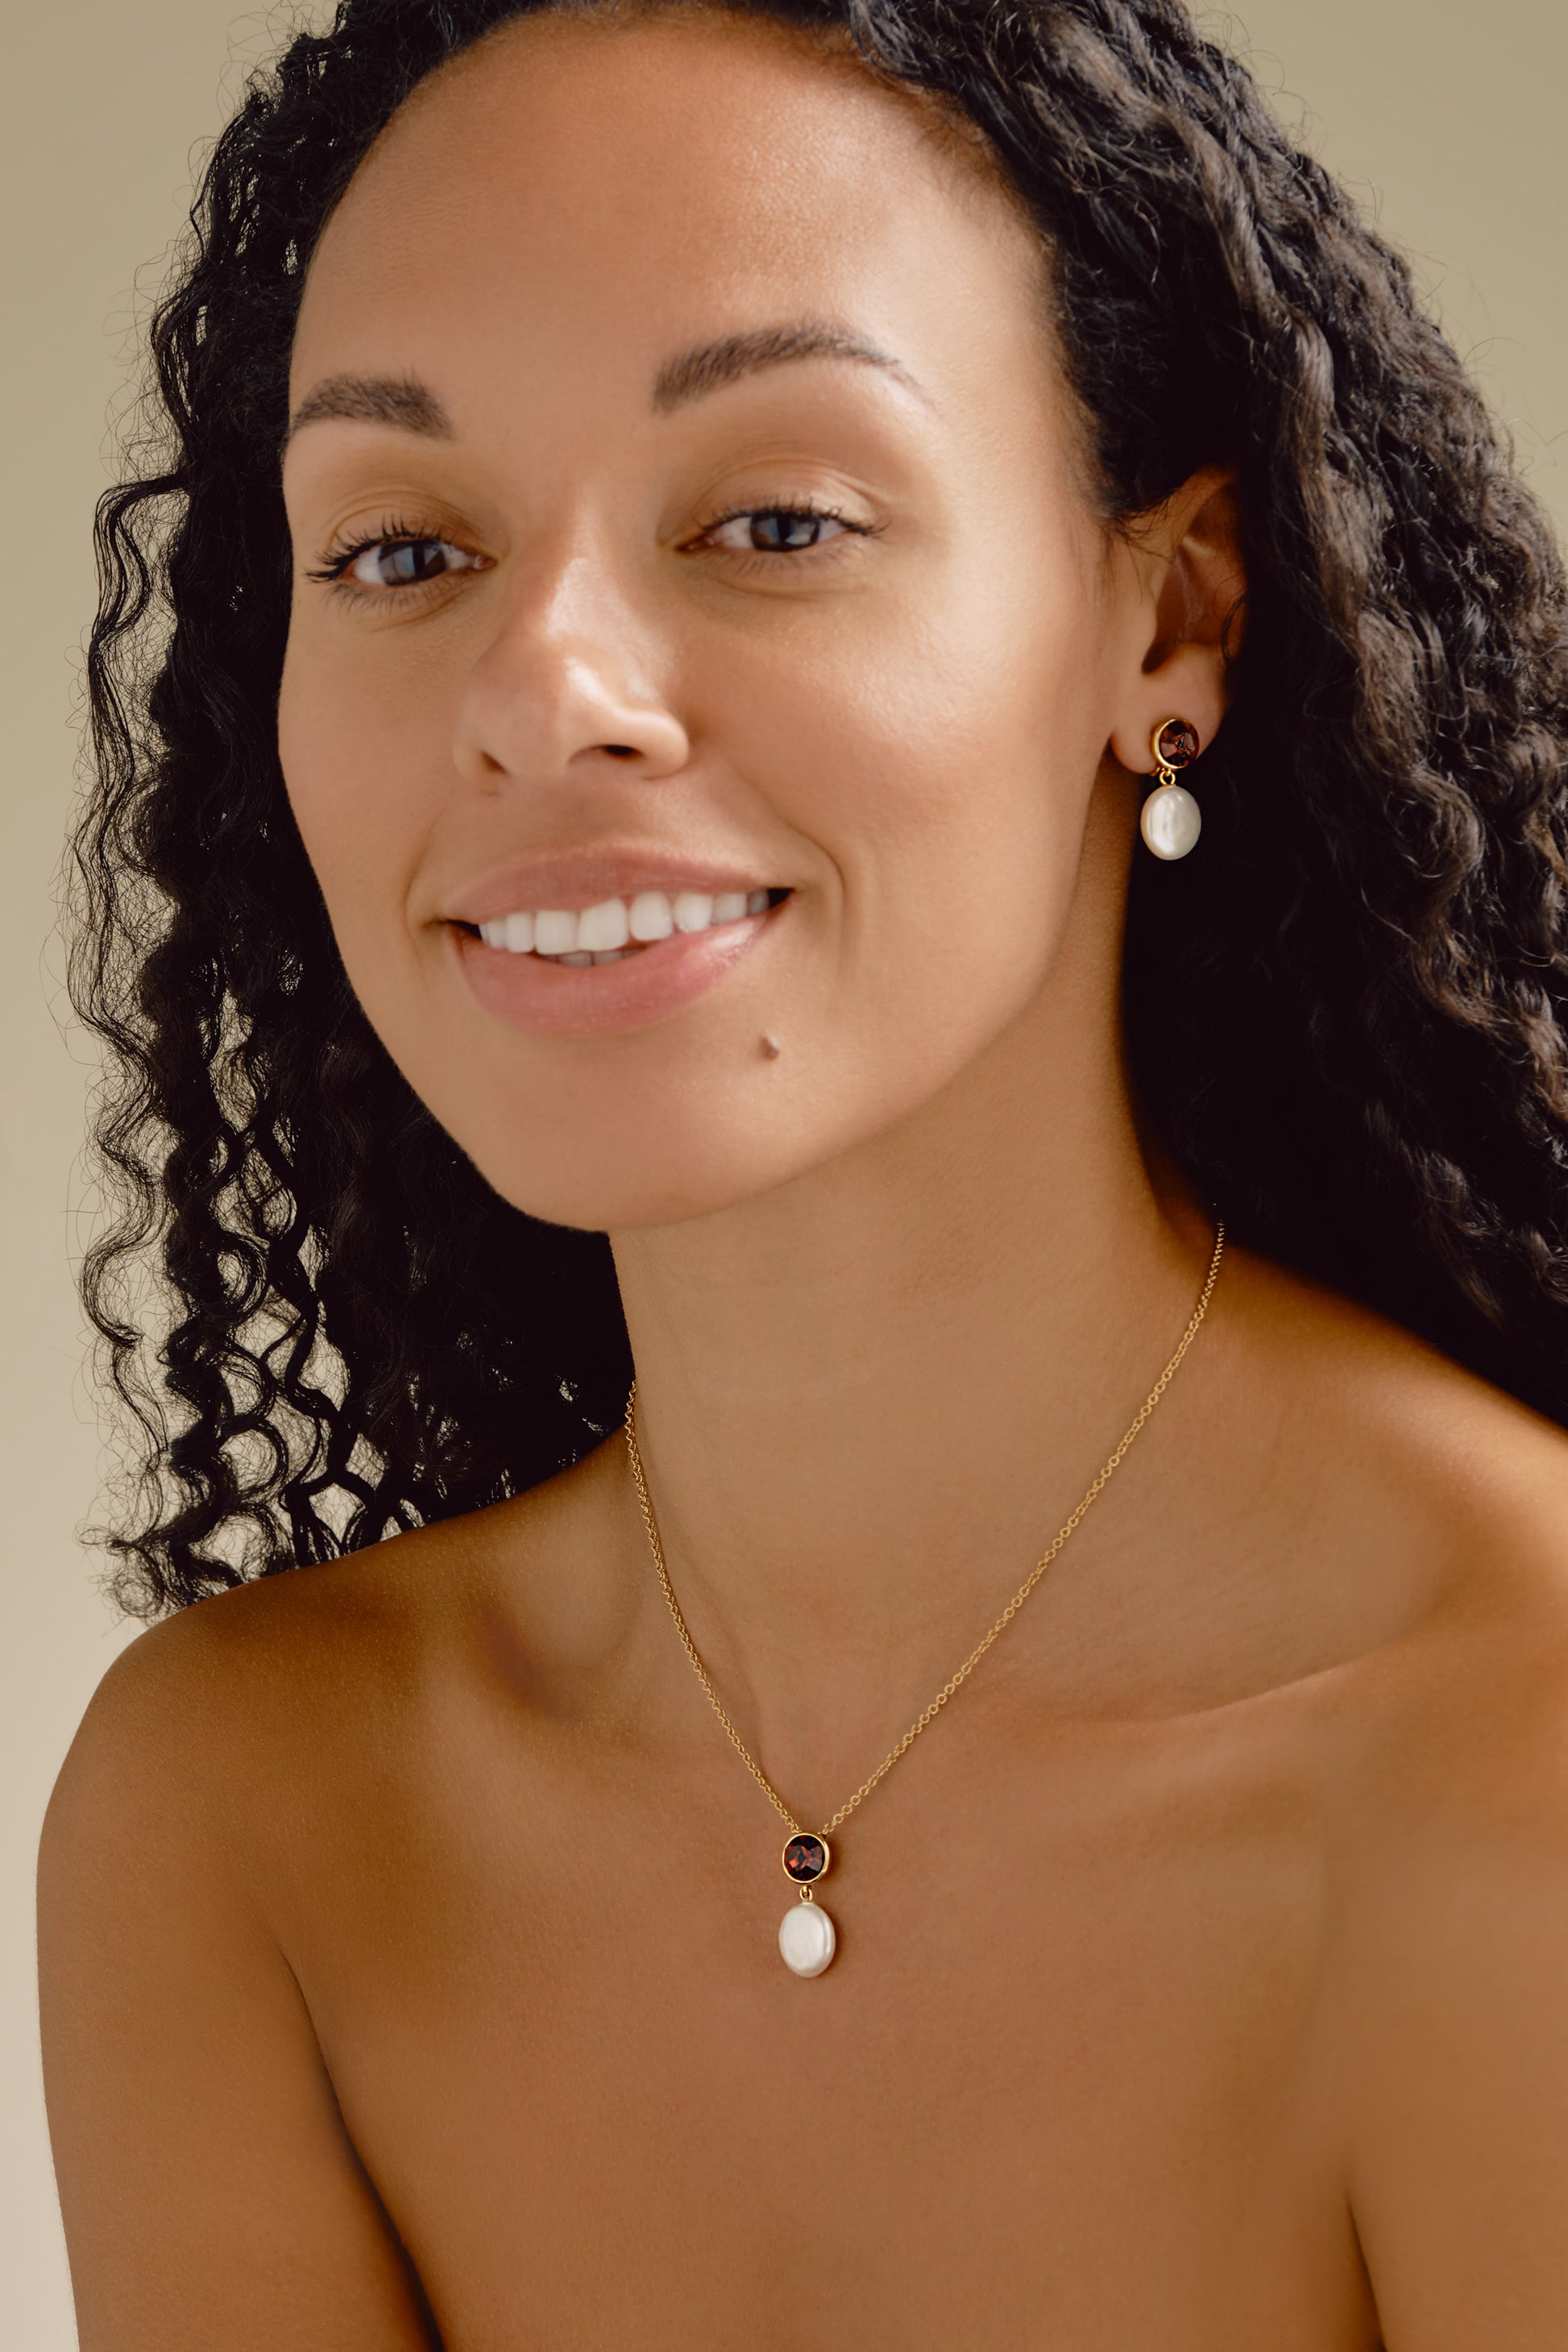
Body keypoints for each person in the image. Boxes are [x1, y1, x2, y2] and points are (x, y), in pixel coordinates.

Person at [36, 0, 1568, 2341]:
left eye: (772, 519)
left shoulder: (1515, 1763)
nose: (543, 682)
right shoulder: (245, 1822)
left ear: (1163, 621)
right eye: (403, 547)